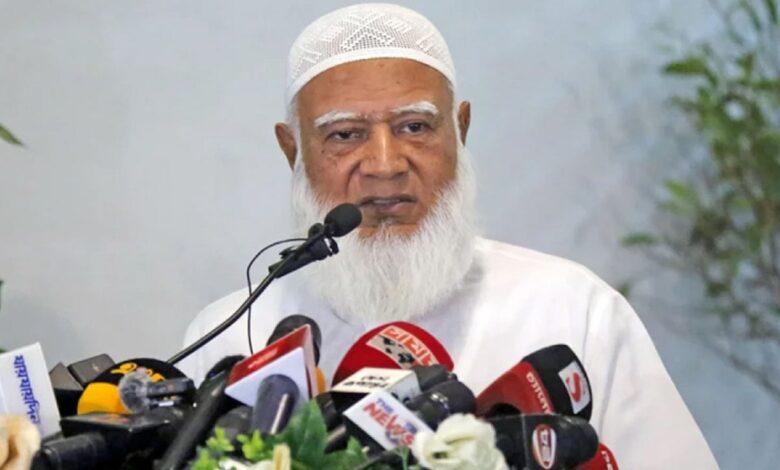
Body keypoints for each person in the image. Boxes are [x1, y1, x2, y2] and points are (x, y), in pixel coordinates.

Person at [181, 3, 718, 468]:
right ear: (292, 151)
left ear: (460, 131)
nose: (385, 164)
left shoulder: (574, 311)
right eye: (345, 135)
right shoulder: (232, 340)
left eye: (415, 127)